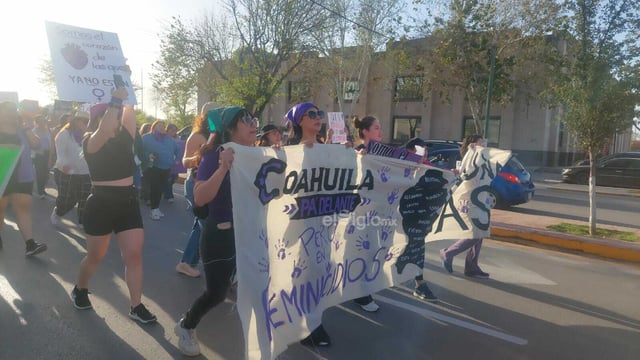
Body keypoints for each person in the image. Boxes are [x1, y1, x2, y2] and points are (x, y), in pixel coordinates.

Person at [174, 106, 257, 356]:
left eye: (253, 118)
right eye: (246, 119)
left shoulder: (254, 154)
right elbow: (200, 198)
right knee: (216, 294)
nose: (253, 123)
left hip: (245, 235)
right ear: (230, 128)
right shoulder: (214, 155)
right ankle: (186, 325)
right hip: (219, 236)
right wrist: (223, 168)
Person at [71, 88, 157, 324]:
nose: (118, 118)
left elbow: (129, 111)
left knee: (134, 255)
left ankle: (136, 305)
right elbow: (107, 127)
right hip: (100, 203)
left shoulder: (126, 135)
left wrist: (124, 85)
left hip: (127, 201)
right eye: (113, 113)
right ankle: (80, 288)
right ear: (100, 118)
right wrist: (116, 100)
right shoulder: (90, 140)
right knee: (95, 256)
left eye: (118, 114)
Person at [439, 134, 490, 278]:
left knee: (480, 234)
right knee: (475, 234)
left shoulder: (481, 159)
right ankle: (448, 253)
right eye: (481, 143)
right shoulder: (470, 158)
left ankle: (471, 267)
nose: (484, 145)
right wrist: (472, 151)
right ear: (473, 145)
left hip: (481, 200)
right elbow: (467, 174)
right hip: (470, 201)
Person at [0, 101, 47, 255]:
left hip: (22, 175)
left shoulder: (22, 130)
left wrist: (26, 127)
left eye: (13, 110)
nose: (11, 113)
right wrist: (4, 147)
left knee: (23, 208)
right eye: (7, 110)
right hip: (3, 173)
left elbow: (37, 145)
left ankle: (30, 244)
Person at [175, 102, 215, 278]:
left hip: (210, 184)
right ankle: (188, 263)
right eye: (213, 116)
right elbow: (184, 162)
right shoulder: (198, 135)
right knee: (206, 225)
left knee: (201, 224)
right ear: (204, 117)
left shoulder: (217, 134)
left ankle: (187, 262)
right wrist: (200, 156)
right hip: (195, 183)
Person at [350, 115, 385, 312]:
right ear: (365, 131)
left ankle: (359, 290)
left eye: (380, 127)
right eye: (377, 127)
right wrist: (358, 158)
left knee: (372, 251)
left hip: (376, 213)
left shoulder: (384, 154)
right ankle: (361, 295)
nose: (381, 131)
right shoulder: (356, 153)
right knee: (360, 252)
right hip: (357, 213)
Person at [404, 137, 439, 301]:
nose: (424, 153)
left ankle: (420, 284)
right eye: (420, 150)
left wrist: (451, 175)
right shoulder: (399, 164)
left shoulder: (429, 168)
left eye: (425, 150)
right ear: (410, 151)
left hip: (417, 221)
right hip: (393, 219)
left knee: (417, 248)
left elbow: (441, 180)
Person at [50, 111, 91, 227]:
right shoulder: (64, 134)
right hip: (66, 172)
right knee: (68, 199)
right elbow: (60, 153)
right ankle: (58, 211)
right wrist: (64, 164)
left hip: (85, 172)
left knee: (85, 199)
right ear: (75, 120)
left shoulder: (89, 135)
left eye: (87, 121)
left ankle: (83, 221)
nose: (84, 123)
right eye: (82, 120)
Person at [142, 120, 180, 220]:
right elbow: (139, 150)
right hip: (153, 167)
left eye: (163, 126)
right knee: (155, 188)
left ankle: (156, 208)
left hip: (167, 168)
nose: (161, 128)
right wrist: (148, 155)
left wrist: (177, 159)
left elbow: (178, 149)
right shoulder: (146, 137)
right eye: (159, 126)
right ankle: (154, 210)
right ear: (153, 127)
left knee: (160, 189)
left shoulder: (169, 139)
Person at [32, 115, 52, 199]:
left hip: (47, 154)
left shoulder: (48, 131)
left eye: (43, 121)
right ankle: (40, 191)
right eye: (39, 121)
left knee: (45, 173)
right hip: (38, 154)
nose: (42, 123)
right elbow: (32, 144)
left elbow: (51, 144)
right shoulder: (33, 131)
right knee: (40, 173)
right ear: (36, 122)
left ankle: (42, 189)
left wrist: (50, 157)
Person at [163, 123, 184, 203]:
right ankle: (169, 195)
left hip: (175, 163)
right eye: (172, 130)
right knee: (168, 179)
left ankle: (165, 191)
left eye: (175, 130)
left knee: (174, 179)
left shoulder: (177, 139)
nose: (174, 131)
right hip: (166, 163)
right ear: (167, 130)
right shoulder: (163, 138)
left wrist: (178, 159)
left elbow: (179, 150)